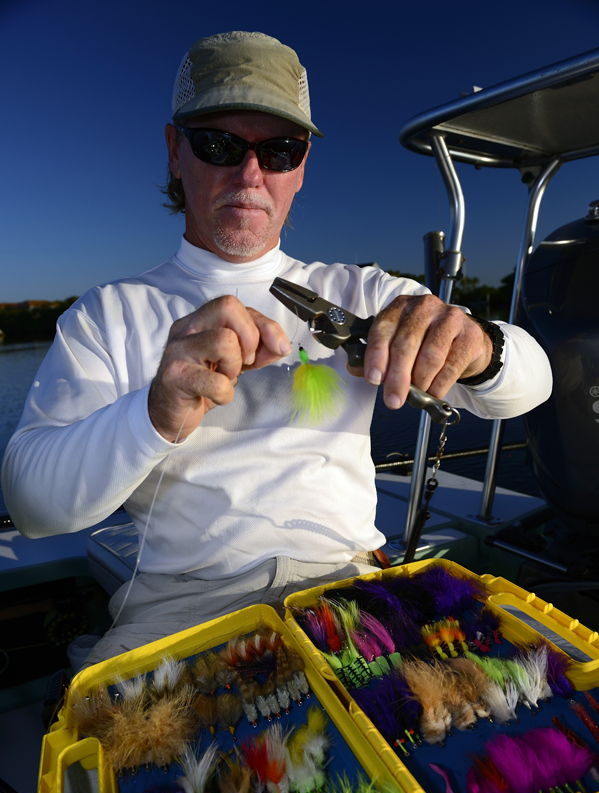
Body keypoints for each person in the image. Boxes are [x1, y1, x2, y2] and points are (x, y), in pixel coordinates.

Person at [1, 31, 552, 664]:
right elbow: (32, 504)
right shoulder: (108, 314)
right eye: (219, 145)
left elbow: (531, 385)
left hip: (351, 589)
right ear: (175, 153)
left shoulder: (364, 291)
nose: (250, 174)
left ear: (302, 166)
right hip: (180, 611)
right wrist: (154, 412)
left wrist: (478, 347)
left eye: (280, 150)